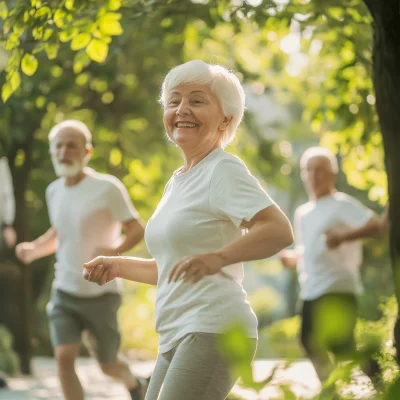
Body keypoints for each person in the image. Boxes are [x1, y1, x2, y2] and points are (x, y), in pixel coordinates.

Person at [82, 60, 294, 400]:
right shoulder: (178, 181)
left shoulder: (222, 169)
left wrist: (219, 257)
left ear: (226, 118)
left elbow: (278, 230)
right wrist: (118, 265)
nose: (182, 109)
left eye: (197, 100)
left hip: (215, 326)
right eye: (173, 100)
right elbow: (177, 267)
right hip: (177, 330)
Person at [15, 120, 148, 400]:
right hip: (65, 290)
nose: (65, 151)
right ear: (52, 152)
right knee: (64, 357)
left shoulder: (107, 188)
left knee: (107, 365)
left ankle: (133, 383)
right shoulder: (53, 190)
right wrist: (33, 249)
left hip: (102, 293)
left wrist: (115, 250)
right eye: (59, 146)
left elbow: (136, 228)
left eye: (72, 145)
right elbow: (59, 232)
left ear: (86, 152)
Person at [280, 146, 389, 386]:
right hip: (312, 286)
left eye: (320, 170)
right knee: (315, 342)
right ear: (303, 175)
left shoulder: (341, 204)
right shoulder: (303, 213)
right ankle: (342, 388)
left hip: (338, 284)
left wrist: (342, 237)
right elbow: (309, 248)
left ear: (333, 174)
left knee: (335, 343)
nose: (314, 175)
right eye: (309, 170)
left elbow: (376, 226)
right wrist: (294, 257)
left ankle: (377, 385)